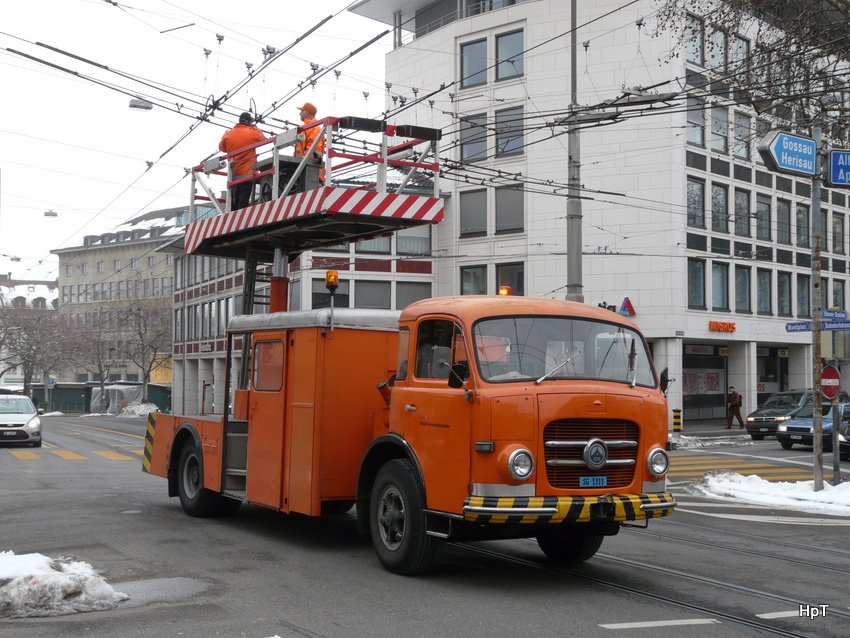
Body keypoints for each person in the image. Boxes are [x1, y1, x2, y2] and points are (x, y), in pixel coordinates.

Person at [219, 112, 266, 210]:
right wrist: (255, 128)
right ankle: (240, 215)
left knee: (235, 194)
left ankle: (233, 214)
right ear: (248, 122)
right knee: (244, 195)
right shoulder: (251, 132)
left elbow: (222, 147)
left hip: (234, 172)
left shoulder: (229, 134)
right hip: (247, 171)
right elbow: (263, 139)